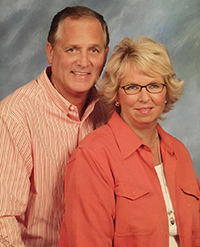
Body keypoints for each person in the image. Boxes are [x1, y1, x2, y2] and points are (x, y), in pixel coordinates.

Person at [59, 36, 200, 247]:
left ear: (166, 92)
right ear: (117, 94)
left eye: (154, 86)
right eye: (132, 87)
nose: (144, 97)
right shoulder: (93, 156)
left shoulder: (178, 152)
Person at [0, 5, 109, 247]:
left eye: (94, 50)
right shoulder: (14, 115)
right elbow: (3, 218)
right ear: (50, 52)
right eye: (72, 49)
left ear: (105, 55)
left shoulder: (111, 111)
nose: (84, 62)